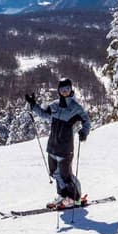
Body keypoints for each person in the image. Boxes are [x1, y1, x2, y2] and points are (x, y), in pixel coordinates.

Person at [26, 77, 91, 209]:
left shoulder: (75, 107)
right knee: (55, 173)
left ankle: (75, 198)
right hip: (52, 146)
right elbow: (44, 115)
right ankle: (62, 196)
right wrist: (34, 105)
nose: (65, 92)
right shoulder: (54, 105)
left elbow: (86, 121)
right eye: (62, 89)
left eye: (67, 89)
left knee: (66, 176)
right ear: (59, 90)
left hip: (65, 147)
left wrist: (84, 132)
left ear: (71, 89)